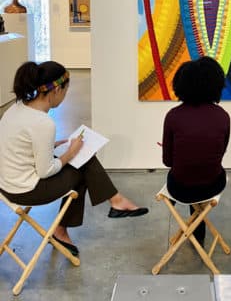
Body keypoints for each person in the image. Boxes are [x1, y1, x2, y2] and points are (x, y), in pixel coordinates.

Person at [0, 61, 148, 257]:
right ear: (55, 90)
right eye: (65, 91)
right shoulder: (43, 123)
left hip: (6, 183)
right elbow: (45, 171)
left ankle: (114, 202)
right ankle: (111, 204)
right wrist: (71, 151)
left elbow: (18, 144)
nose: (64, 96)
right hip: (26, 190)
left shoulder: (17, 107)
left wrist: (53, 146)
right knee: (83, 165)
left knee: (81, 161)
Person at [160, 56, 230, 245]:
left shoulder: (173, 117)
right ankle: (198, 232)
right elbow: (220, 153)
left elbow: (167, 162)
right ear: (217, 85)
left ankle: (193, 229)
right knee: (200, 170)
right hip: (213, 184)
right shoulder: (222, 116)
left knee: (186, 174)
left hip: (180, 188)